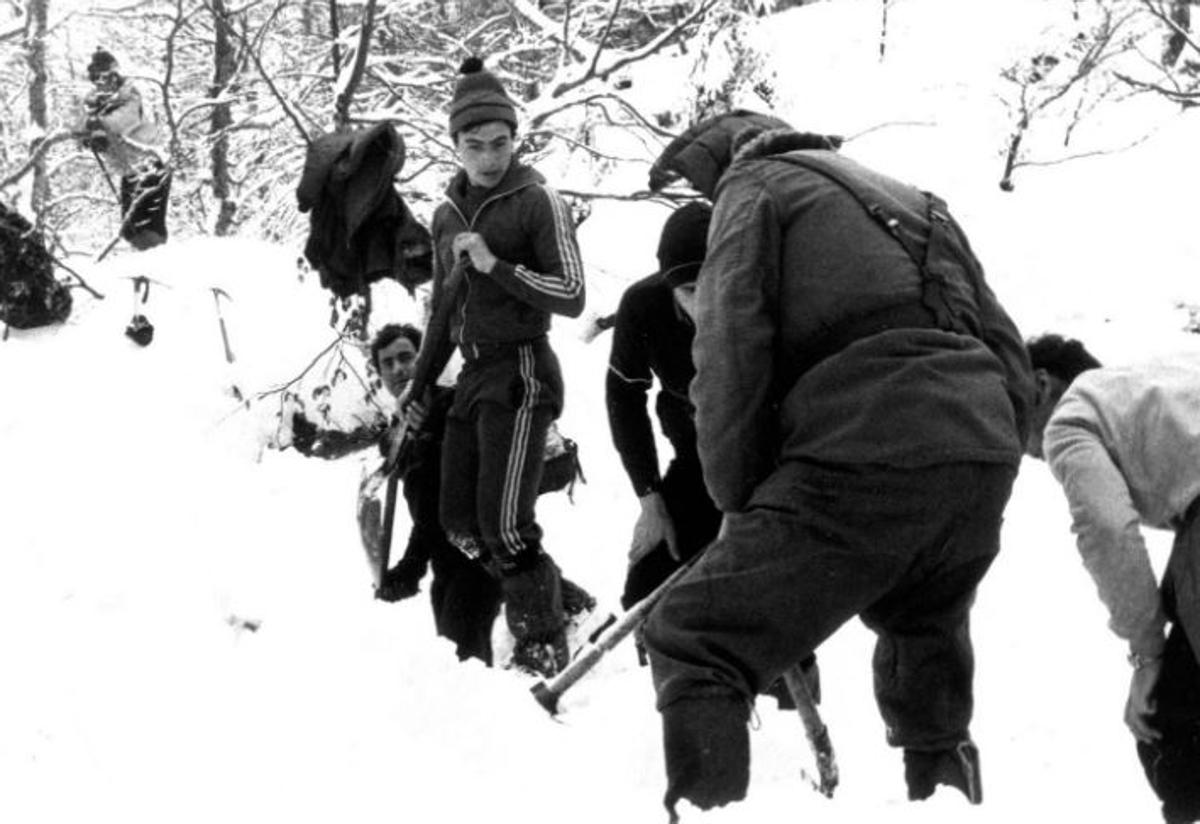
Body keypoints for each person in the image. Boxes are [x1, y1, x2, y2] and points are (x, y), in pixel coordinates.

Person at [639, 112, 1035, 816]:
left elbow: (730, 350)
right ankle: (944, 798)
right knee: (923, 634)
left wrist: (738, 493)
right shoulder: (917, 200)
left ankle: (713, 809)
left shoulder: (753, 186)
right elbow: (1006, 349)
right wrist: (982, 446)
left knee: (695, 632)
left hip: (862, 447)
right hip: (977, 450)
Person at [404, 56, 586, 679]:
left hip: (524, 366)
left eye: (500, 143)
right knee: (458, 523)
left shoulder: (537, 200)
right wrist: (420, 386)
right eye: (475, 145)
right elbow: (441, 310)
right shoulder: (445, 215)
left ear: (516, 139)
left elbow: (572, 294)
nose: (489, 157)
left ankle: (543, 653)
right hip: (471, 376)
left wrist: (496, 266)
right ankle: (568, 604)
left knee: (505, 526)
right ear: (453, 145)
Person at [1024, 334, 1200, 824]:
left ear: (1040, 384)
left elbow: (1106, 530)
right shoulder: (1165, 375)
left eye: (1022, 434)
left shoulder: (1072, 415)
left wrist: (1148, 656)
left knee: (1170, 737)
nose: (1029, 453)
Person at [78, 48, 170, 251]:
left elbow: (121, 122)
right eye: (95, 78)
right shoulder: (93, 102)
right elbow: (80, 124)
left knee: (148, 227)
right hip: (129, 170)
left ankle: (153, 266)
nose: (101, 82)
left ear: (114, 75)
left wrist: (97, 126)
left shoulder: (129, 95)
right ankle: (142, 267)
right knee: (130, 229)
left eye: (105, 76)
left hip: (150, 166)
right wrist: (89, 132)